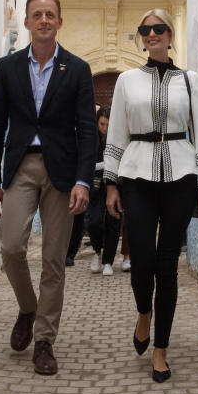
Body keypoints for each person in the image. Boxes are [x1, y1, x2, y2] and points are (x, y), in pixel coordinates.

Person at [105, 9, 198, 383]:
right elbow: (117, 133)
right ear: (141, 37)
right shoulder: (126, 80)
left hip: (181, 176)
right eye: (145, 29)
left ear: (170, 35)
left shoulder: (191, 80)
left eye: (159, 28)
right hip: (136, 176)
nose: (151, 33)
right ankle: (143, 312)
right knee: (142, 261)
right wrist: (110, 182)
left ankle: (160, 350)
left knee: (168, 266)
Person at [0, 0, 96, 375]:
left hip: (62, 172)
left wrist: (84, 179)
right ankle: (28, 308)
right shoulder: (7, 68)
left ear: (59, 22)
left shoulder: (77, 69)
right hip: (20, 168)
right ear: (28, 22)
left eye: (51, 13)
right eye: (38, 14)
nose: (44, 19)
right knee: (11, 244)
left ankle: (45, 340)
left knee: (53, 260)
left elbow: (87, 129)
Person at [86, 107, 121, 276]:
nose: (105, 128)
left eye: (108, 124)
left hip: (115, 184)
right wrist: (103, 165)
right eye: (102, 124)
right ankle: (97, 251)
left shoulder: (117, 138)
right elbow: (86, 161)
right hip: (96, 185)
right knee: (94, 221)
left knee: (113, 223)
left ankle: (108, 261)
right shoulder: (91, 139)